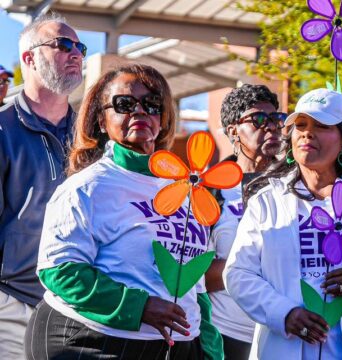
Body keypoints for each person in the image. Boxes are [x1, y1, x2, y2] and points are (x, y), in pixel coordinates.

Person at [24, 63, 220, 359]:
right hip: (90, 342)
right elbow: (59, 271)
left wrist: (207, 345)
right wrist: (139, 307)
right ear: (102, 120)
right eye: (124, 104)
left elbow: (196, 283)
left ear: (163, 118)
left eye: (152, 104)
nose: (139, 111)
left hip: (175, 348)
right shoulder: (87, 188)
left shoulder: (186, 191)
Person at [224, 88, 342, 360]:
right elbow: (238, 273)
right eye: (300, 125)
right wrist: (284, 314)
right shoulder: (266, 201)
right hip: (280, 349)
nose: (307, 133)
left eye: (322, 125)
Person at [0, 13, 85, 359]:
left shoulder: (93, 137)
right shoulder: (3, 131)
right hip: (12, 305)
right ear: (29, 58)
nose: (76, 53)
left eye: (79, 46)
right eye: (62, 44)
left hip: (78, 308)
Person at [205, 84, 285, 359]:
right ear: (232, 132)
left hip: (284, 334)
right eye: (259, 120)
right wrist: (250, 267)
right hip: (226, 338)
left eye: (276, 119)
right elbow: (192, 276)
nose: (272, 127)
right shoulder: (209, 192)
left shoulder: (296, 188)